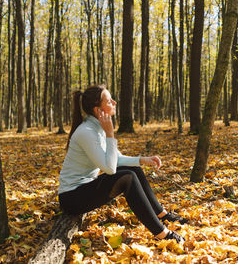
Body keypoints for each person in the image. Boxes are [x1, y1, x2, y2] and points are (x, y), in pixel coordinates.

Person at [58, 85, 187, 243]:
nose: (114, 102)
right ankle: (162, 233)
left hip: (84, 190)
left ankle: (162, 214)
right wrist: (110, 134)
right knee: (127, 177)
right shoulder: (87, 132)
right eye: (109, 100)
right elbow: (110, 168)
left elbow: (116, 159)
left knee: (133, 169)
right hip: (72, 198)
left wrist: (142, 160)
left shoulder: (97, 127)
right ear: (98, 109)